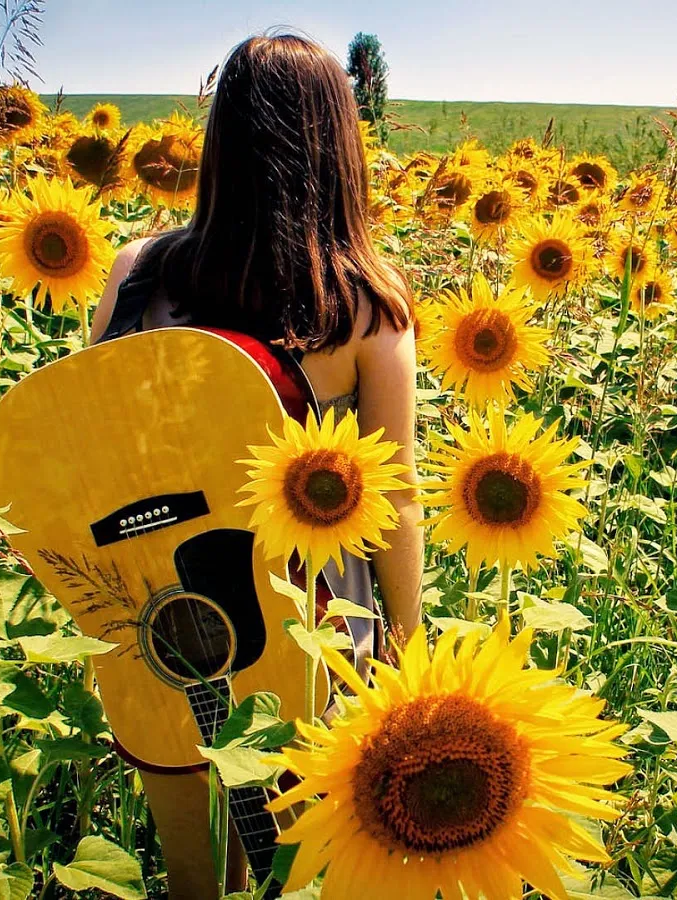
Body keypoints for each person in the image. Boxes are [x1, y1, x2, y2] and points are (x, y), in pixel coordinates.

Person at [87, 31, 421, 900]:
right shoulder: (364, 306)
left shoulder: (136, 274)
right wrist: (407, 643)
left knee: (197, 873)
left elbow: (86, 447)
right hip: (309, 625)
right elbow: (398, 498)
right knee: (304, 872)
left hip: (157, 612)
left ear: (220, 140)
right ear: (339, 147)